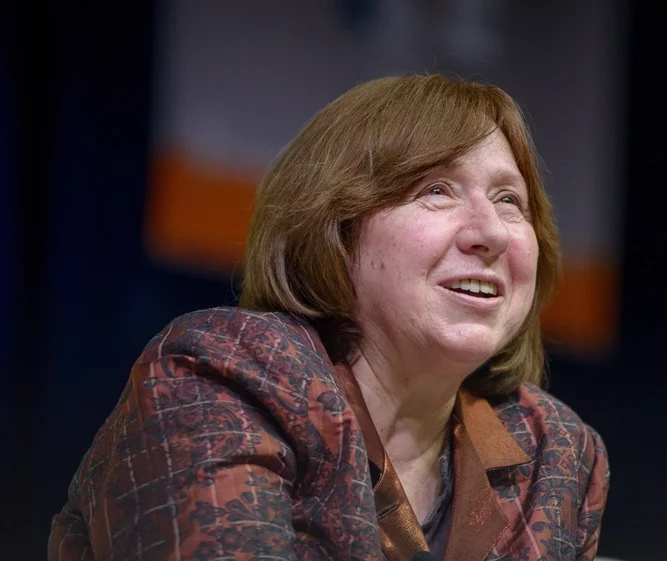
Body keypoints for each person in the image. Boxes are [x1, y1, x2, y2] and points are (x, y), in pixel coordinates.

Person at [49, 74, 609, 561]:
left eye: (510, 200)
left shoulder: (555, 453)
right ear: (336, 229)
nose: (490, 232)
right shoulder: (224, 376)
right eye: (436, 191)